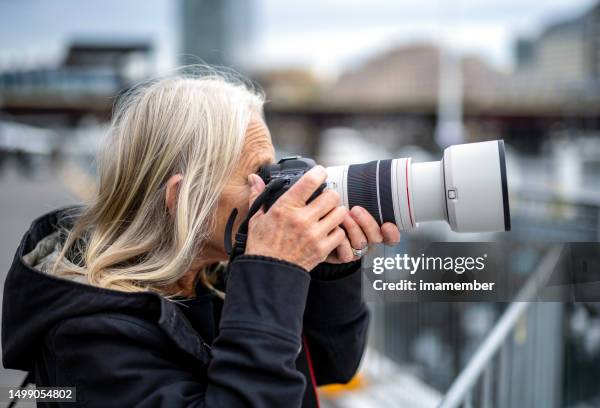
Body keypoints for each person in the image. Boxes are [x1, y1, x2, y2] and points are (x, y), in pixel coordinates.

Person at [2, 69, 400, 407]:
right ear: (182, 198)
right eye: (258, 174)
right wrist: (273, 272)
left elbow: (330, 365)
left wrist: (330, 270)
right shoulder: (90, 337)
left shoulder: (216, 276)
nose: (275, 189)